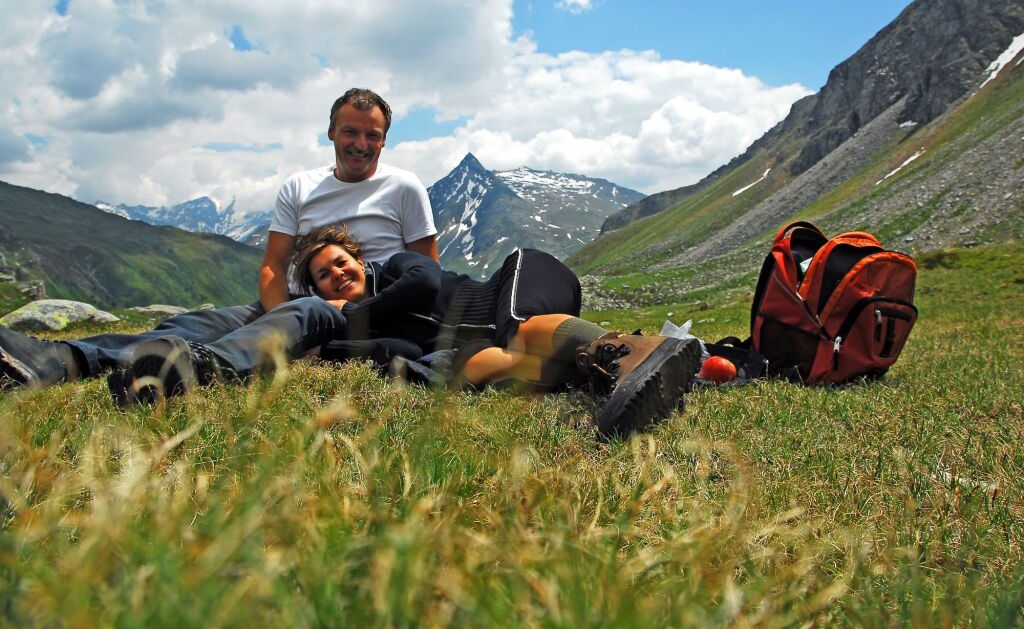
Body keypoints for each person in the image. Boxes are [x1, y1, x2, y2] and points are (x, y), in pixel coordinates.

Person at [0, 88, 437, 389]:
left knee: (244, 330)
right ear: (331, 133)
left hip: (363, 310)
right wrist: (281, 316)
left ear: (384, 141)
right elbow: (273, 264)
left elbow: (427, 272)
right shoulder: (299, 186)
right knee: (194, 325)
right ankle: (58, 360)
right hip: (293, 303)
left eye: (372, 135)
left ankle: (188, 369)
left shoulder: (404, 187)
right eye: (351, 131)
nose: (361, 143)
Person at [109, 225, 700, 437]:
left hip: (514, 285)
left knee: (519, 328)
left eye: (341, 263)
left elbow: (424, 284)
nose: (337, 275)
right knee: (474, 368)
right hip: (475, 345)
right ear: (316, 289)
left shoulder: (396, 267)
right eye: (323, 276)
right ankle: (622, 379)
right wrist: (331, 347)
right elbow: (390, 355)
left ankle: (627, 352)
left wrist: (347, 320)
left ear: (358, 259)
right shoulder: (346, 325)